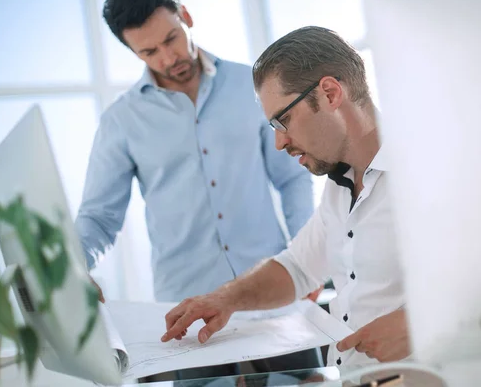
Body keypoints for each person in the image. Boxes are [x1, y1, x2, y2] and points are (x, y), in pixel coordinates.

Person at [75, 0, 322, 379]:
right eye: (148, 52)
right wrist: (74, 266)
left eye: (171, 38)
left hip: (272, 298)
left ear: (185, 16)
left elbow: (291, 180)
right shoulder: (121, 121)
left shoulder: (250, 86)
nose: (168, 58)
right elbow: (100, 218)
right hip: (186, 316)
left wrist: (308, 259)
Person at [161, 26, 410, 367]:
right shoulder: (338, 187)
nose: (279, 143)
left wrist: (417, 323)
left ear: (329, 93)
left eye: (284, 120)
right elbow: (296, 268)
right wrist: (223, 299)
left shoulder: (431, 171)